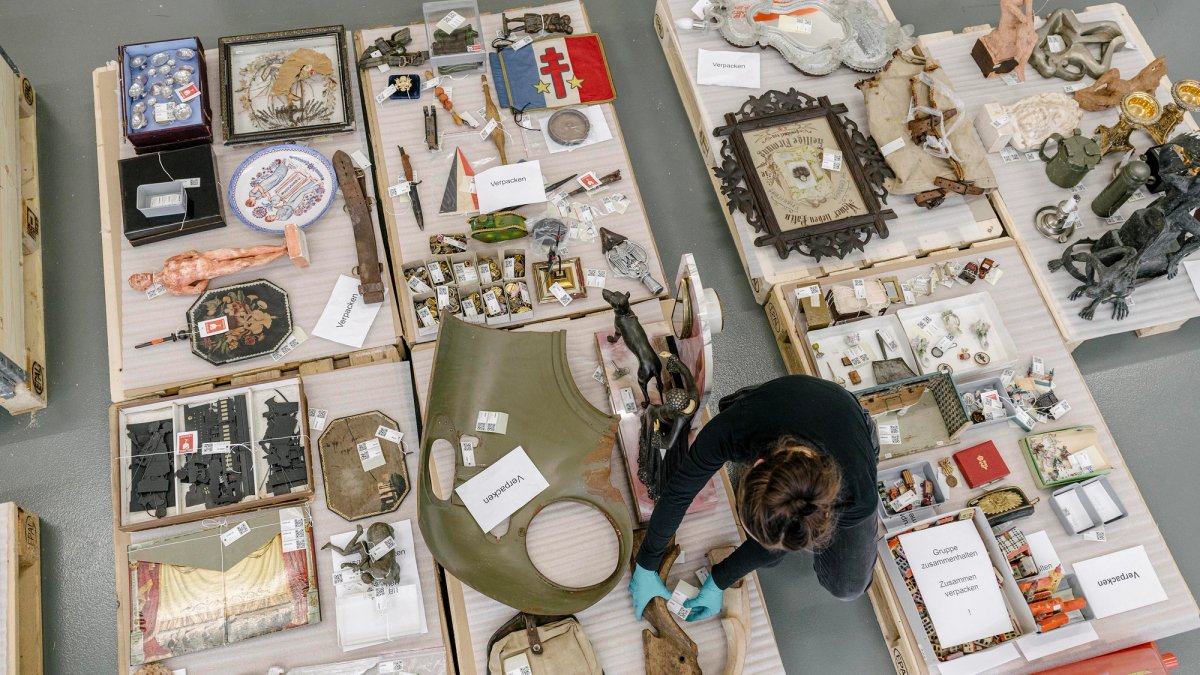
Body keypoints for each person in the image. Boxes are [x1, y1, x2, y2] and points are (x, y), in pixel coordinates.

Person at [629, 374, 880, 621]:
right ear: (757, 463)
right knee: (765, 551)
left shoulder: (857, 497)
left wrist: (720, 579)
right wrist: (646, 562)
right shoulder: (735, 429)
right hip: (787, 401)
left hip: (851, 433)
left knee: (847, 586)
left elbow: (778, 540)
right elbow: (679, 491)